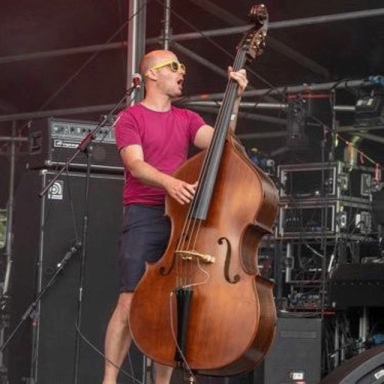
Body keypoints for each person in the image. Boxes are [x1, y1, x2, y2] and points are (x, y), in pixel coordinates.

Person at [102, 49, 248, 384]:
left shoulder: (187, 119)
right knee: (129, 301)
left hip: (181, 218)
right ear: (152, 74)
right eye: (174, 66)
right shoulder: (131, 118)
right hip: (145, 213)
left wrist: (235, 101)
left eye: (182, 65)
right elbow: (135, 165)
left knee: (167, 307)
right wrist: (171, 183)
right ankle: (109, 380)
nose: (182, 71)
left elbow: (224, 143)